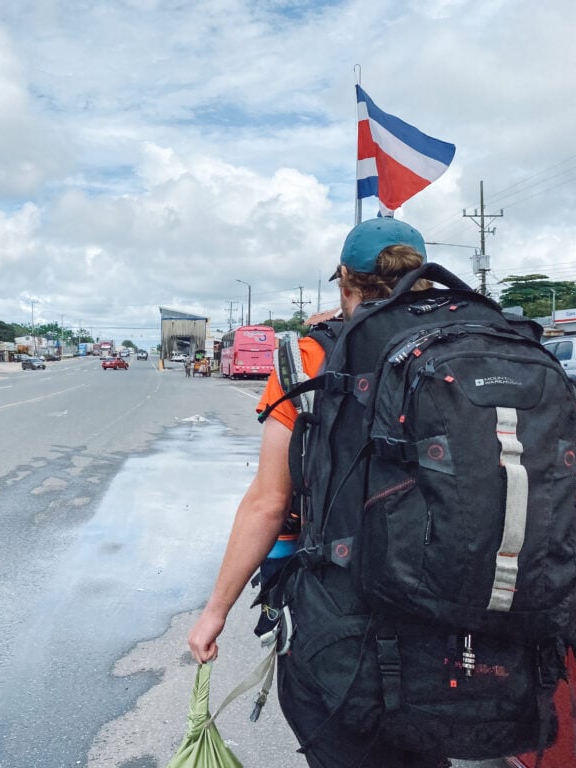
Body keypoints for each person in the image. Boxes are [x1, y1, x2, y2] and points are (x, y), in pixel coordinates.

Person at [187, 218, 440, 768]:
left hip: (346, 618)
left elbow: (268, 502)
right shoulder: (469, 346)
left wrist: (216, 611)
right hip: (455, 613)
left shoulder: (305, 358)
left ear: (344, 281)